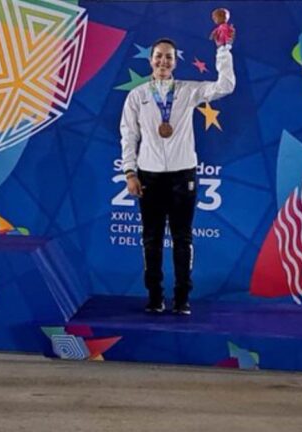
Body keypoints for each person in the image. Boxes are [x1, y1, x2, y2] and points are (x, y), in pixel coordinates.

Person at [119, 35, 235, 315]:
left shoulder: (187, 91)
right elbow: (128, 135)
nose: (163, 61)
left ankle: (182, 298)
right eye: (158, 56)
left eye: (168, 56)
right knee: (151, 239)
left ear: (175, 62)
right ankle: (155, 296)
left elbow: (225, 86)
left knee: (182, 238)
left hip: (183, 175)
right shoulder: (138, 96)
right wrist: (130, 172)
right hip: (149, 176)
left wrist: (223, 49)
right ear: (151, 60)